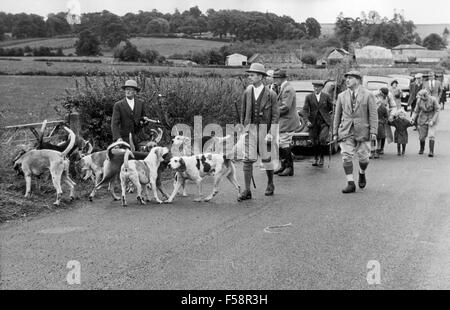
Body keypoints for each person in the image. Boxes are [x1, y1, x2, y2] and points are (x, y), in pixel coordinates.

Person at [237, 63, 279, 202]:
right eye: (249, 75)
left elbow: (275, 117)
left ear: (260, 77)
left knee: (267, 159)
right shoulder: (247, 92)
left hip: (265, 131)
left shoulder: (271, 94)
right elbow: (243, 112)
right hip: (251, 130)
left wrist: (271, 134)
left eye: (252, 75)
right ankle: (247, 190)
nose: (250, 77)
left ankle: (270, 183)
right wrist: (244, 128)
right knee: (247, 160)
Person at [332, 71, 378, 194]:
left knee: (364, 159)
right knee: (346, 156)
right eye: (346, 78)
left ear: (357, 80)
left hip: (363, 130)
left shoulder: (368, 95)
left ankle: (362, 172)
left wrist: (373, 131)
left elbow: (373, 114)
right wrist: (335, 132)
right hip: (346, 130)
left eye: (350, 78)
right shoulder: (342, 96)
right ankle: (350, 183)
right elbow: (337, 115)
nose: (347, 80)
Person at [272, 69, 300, 176]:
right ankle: (284, 166)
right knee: (281, 143)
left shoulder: (287, 89)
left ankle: (289, 167)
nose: (274, 81)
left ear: (281, 78)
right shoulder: (282, 88)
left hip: (287, 121)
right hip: (284, 121)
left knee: (284, 143)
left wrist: (272, 113)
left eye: (275, 78)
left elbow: (285, 108)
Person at [303, 80, 333, 167]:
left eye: (318, 87)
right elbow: (305, 110)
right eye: (315, 87)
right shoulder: (309, 97)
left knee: (322, 139)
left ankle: (322, 158)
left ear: (322, 88)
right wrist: (306, 121)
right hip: (313, 122)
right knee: (314, 141)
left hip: (324, 122)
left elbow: (331, 108)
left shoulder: (326, 96)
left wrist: (329, 116)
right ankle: (316, 158)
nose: (316, 88)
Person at [111, 79, 151, 145]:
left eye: (130, 89)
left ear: (135, 91)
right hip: (124, 140)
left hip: (139, 139)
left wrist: (145, 120)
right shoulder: (118, 105)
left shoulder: (140, 103)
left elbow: (143, 119)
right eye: (126, 89)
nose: (128, 91)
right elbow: (114, 124)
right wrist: (117, 138)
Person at [411, 89, 440, 157]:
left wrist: (433, 120)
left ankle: (431, 151)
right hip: (422, 118)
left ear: (426, 95)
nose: (421, 98)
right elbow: (416, 111)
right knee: (422, 137)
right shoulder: (419, 101)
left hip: (432, 117)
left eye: (422, 97)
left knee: (431, 135)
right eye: (420, 97)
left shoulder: (433, 99)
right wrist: (412, 118)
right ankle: (422, 148)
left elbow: (437, 110)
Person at [373, 87, 390, 158]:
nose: (379, 99)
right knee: (372, 138)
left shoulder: (383, 107)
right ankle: (372, 151)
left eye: (382, 98)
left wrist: (383, 121)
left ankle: (379, 150)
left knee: (381, 137)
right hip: (373, 123)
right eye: (378, 98)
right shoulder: (373, 95)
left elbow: (386, 115)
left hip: (380, 123)